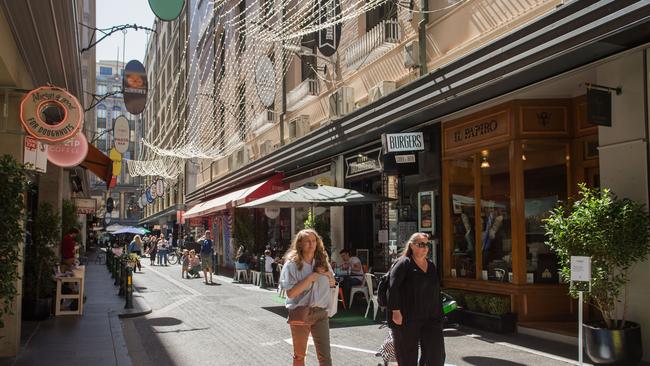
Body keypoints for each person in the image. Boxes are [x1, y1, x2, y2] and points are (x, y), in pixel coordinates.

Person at [388, 233, 445, 366]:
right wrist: (395, 312)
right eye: (421, 244)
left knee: (436, 354)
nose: (425, 248)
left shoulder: (431, 265)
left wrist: (439, 313)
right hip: (407, 317)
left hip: (431, 316)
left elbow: (436, 290)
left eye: (427, 245)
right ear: (412, 246)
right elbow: (393, 288)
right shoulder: (403, 263)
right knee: (407, 356)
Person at [280, 229, 335, 366]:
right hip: (300, 313)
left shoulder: (322, 262)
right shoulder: (291, 265)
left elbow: (332, 283)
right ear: (300, 245)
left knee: (325, 357)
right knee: (299, 356)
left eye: (314, 241)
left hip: (321, 312)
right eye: (307, 241)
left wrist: (329, 276)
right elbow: (291, 293)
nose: (311, 244)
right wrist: (310, 278)